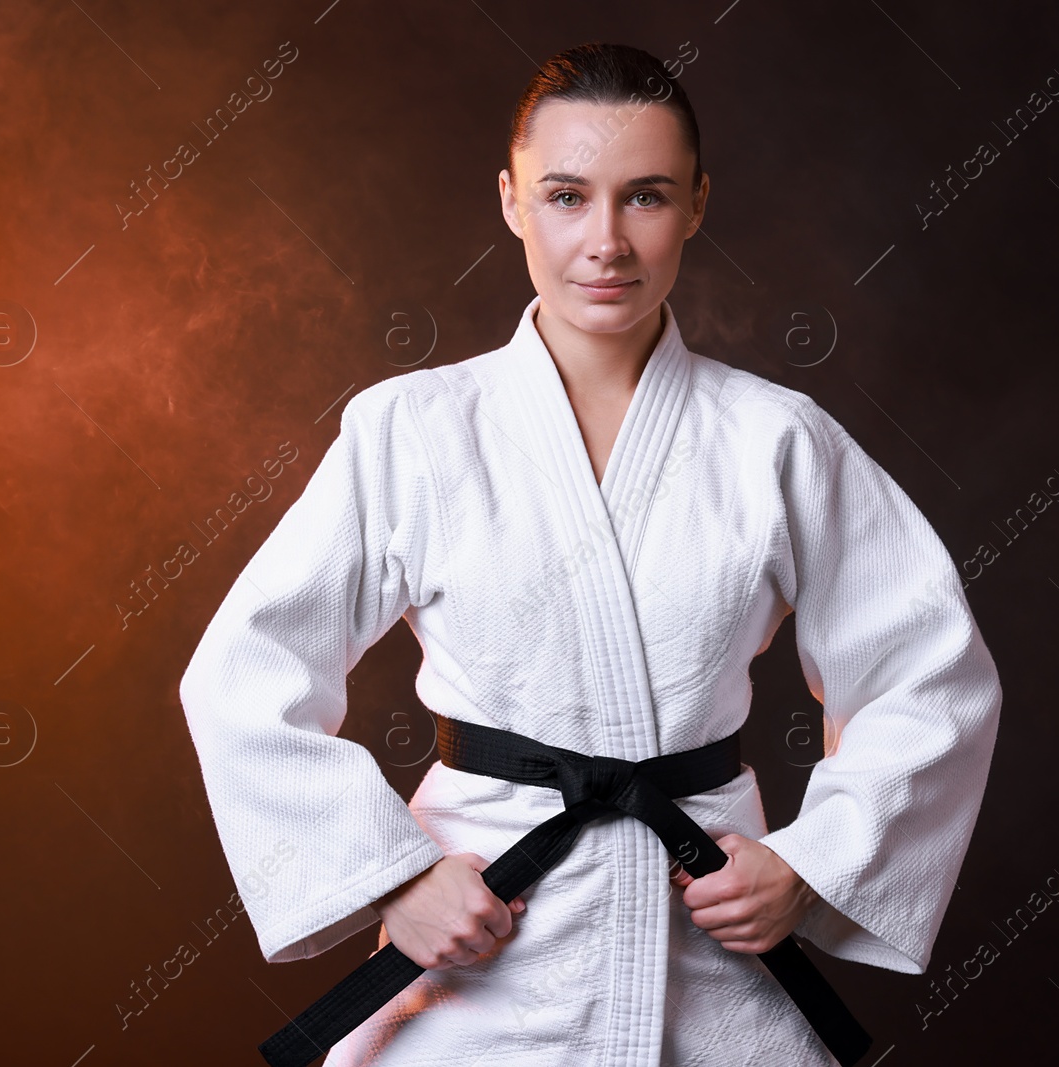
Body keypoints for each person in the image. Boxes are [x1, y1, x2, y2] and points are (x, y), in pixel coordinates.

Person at [178, 41, 1002, 1067]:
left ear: (696, 204)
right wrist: (390, 875)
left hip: (705, 947)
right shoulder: (413, 429)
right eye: (566, 195)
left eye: (644, 196)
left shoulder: (775, 438)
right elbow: (245, 673)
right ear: (512, 200)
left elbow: (927, 670)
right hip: (479, 936)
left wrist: (810, 864)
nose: (605, 240)